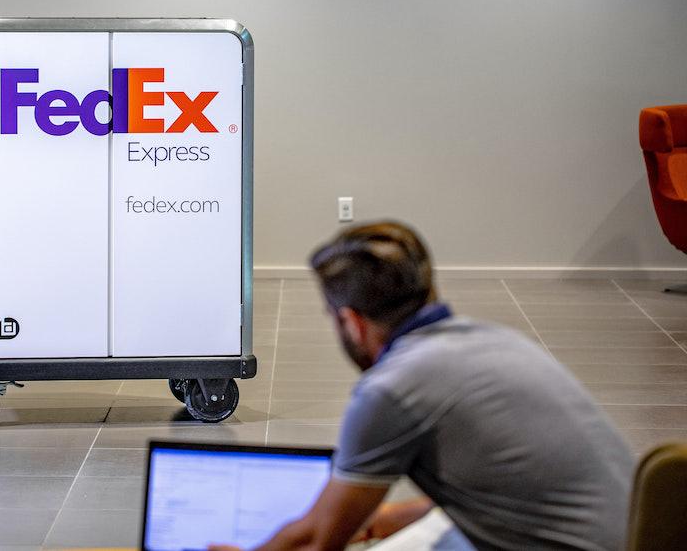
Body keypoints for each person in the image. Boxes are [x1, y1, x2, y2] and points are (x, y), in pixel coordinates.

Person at [211, 221, 634, 551]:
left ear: (352, 323)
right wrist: (375, 521)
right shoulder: (495, 340)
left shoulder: (393, 388)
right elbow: (506, 494)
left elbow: (315, 542)